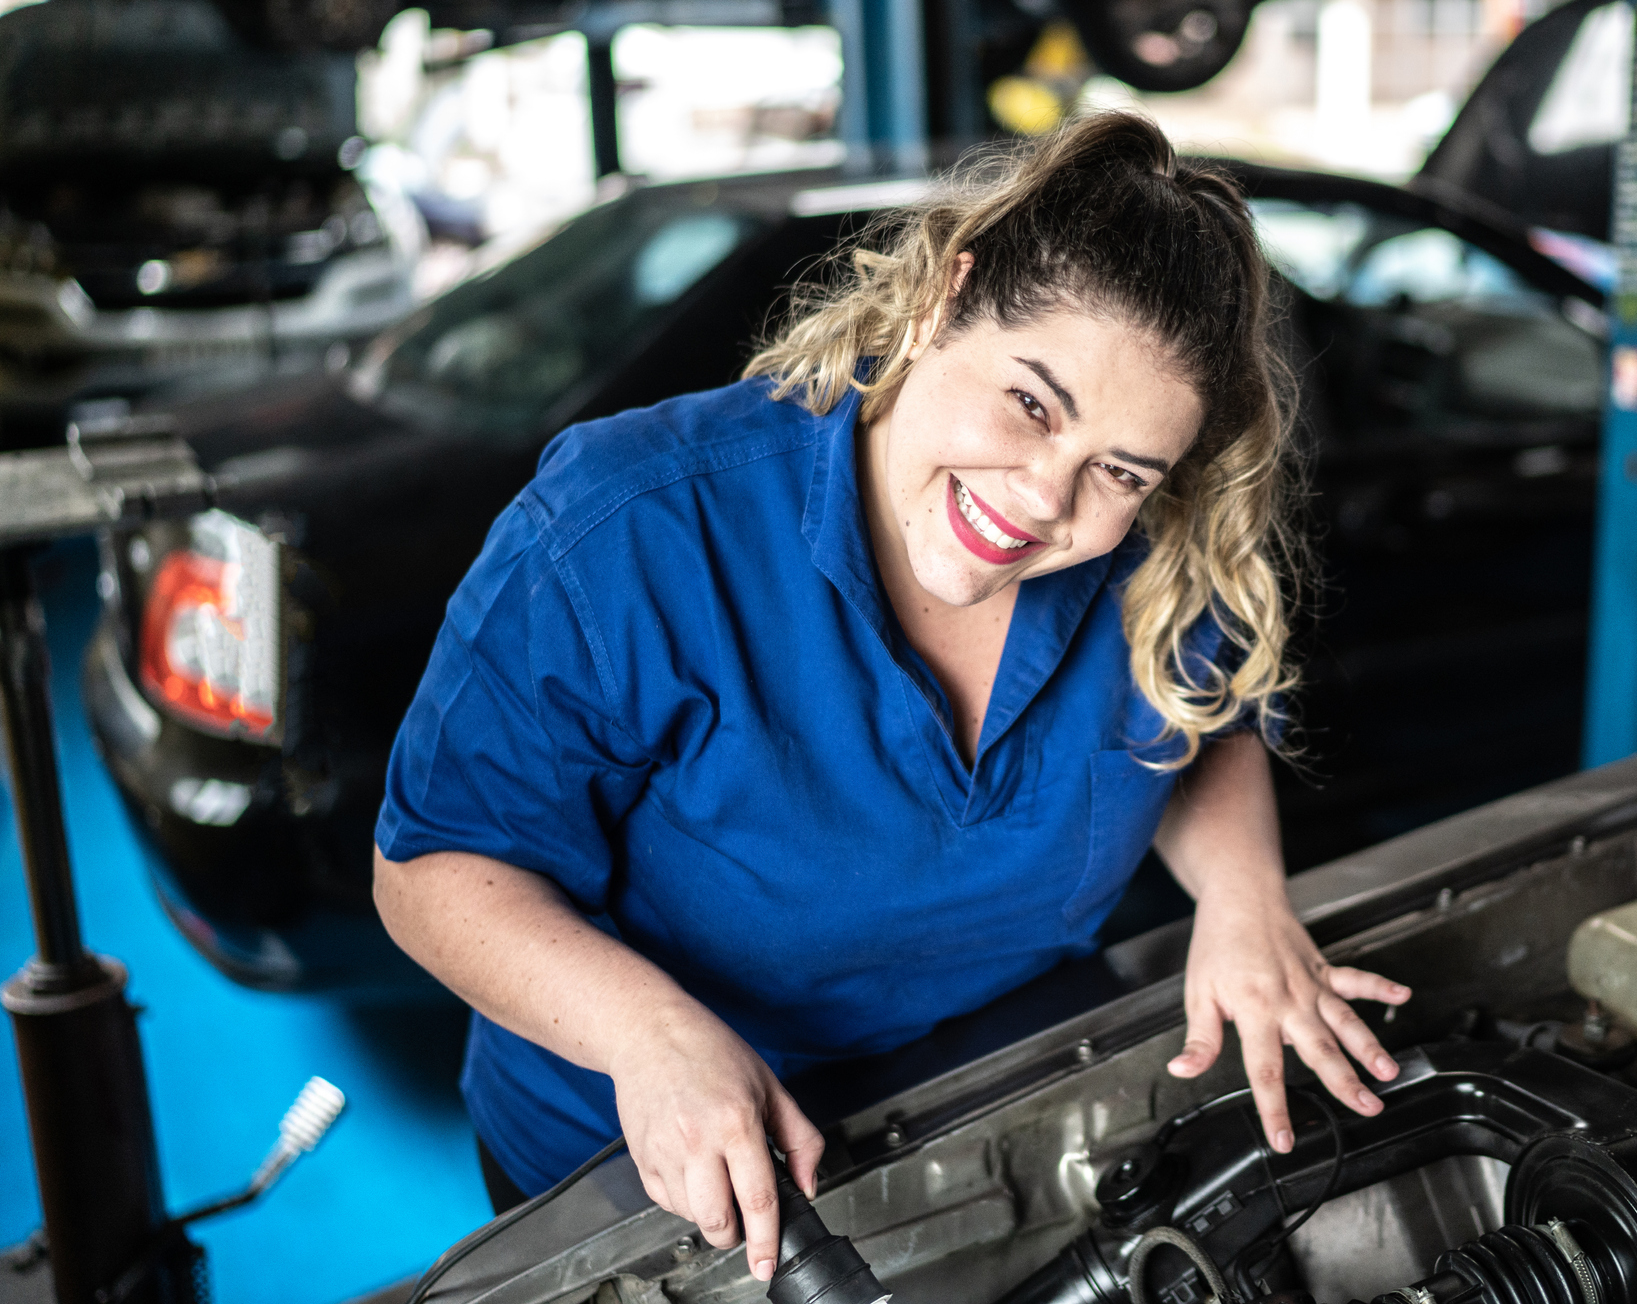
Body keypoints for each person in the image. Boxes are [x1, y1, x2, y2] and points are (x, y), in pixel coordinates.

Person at [371, 113, 1410, 1281]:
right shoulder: (628, 528)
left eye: (1118, 470)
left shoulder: (1152, 563)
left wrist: (1245, 900)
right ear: (940, 301)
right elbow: (432, 871)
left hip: (979, 1124)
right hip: (640, 1165)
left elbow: (1195, 713)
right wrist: (647, 1038)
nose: (1041, 501)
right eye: (1031, 403)